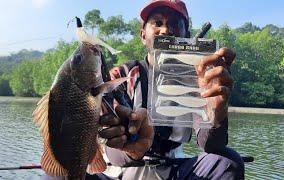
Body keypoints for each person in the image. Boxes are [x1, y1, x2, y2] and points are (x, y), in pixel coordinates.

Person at [42, 0, 244, 179]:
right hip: (117, 172)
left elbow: (209, 146)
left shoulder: (199, 79)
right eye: (157, 22)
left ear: (187, 36)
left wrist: (217, 114)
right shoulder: (119, 76)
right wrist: (130, 148)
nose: (165, 30)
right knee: (54, 177)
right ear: (142, 34)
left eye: (174, 24)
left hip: (173, 171)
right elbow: (109, 144)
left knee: (228, 162)